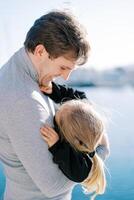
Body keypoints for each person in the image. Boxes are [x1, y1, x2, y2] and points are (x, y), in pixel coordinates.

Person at [0, 11, 90, 200]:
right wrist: (100, 149)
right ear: (40, 51)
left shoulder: (20, 73)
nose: (66, 77)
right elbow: (54, 186)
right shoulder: (24, 100)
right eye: (63, 67)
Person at [40, 82, 110, 199]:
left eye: (56, 122)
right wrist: (55, 90)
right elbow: (81, 99)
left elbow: (78, 176)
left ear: (68, 139)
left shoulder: (83, 168)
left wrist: (57, 146)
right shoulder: (85, 124)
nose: (55, 113)